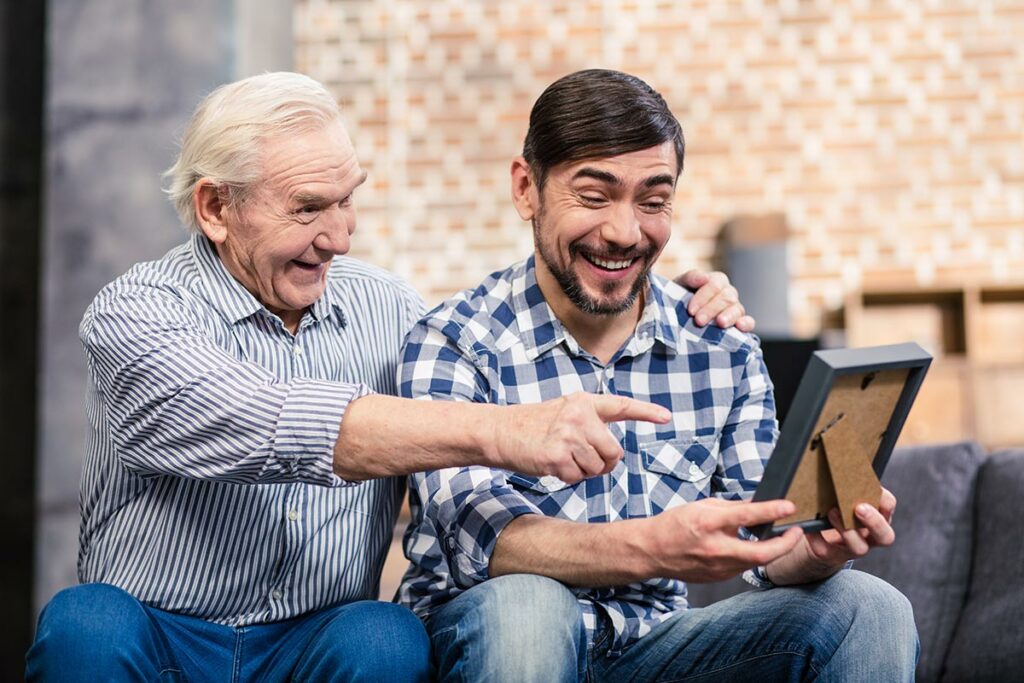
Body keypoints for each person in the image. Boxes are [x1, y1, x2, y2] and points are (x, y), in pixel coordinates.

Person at [25, 72, 750, 682]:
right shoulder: (137, 312)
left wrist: (665, 295)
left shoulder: (390, 308)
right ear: (217, 208)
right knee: (84, 622)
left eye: (347, 201)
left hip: (312, 642)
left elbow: (512, 321)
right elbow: (264, 417)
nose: (339, 238)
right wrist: (507, 433)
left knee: (385, 634)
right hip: (159, 633)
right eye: (309, 208)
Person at [397, 69, 919, 682]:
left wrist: (816, 549)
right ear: (525, 189)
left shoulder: (721, 347)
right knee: (529, 605)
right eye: (593, 196)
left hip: (657, 648)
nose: (624, 233)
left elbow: (768, 543)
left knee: (869, 607)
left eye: (653, 201)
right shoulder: (453, 340)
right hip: (494, 635)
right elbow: (483, 540)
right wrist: (657, 544)